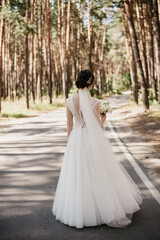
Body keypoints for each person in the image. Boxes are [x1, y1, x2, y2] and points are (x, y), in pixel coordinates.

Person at [52, 69, 142, 229]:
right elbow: (102, 120)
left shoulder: (68, 101)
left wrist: (70, 142)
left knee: (78, 173)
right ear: (91, 83)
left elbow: (69, 124)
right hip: (91, 138)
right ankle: (103, 207)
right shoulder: (99, 102)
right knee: (98, 170)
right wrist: (103, 119)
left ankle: (80, 210)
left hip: (76, 138)